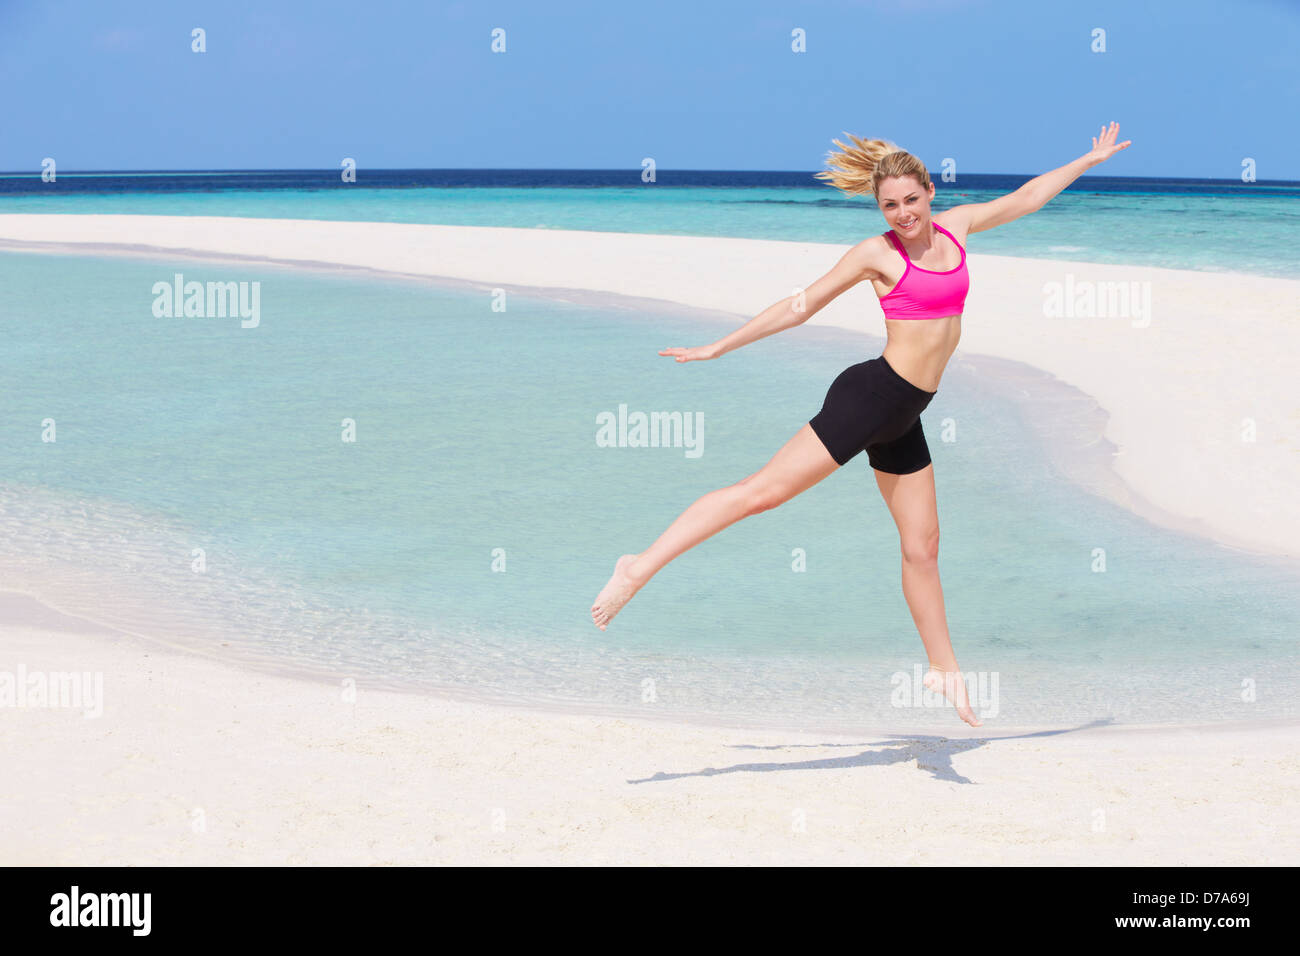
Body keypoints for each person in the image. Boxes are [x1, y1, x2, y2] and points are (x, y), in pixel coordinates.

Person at [591, 123, 1131, 726]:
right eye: (889, 205)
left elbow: (1025, 198)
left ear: (929, 192)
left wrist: (1088, 158)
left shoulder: (958, 227)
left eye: (910, 199)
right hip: (871, 397)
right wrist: (721, 346)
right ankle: (637, 566)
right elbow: (801, 305)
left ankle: (944, 669)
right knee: (761, 494)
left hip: (907, 412)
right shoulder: (877, 254)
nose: (902, 213)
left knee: (922, 546)